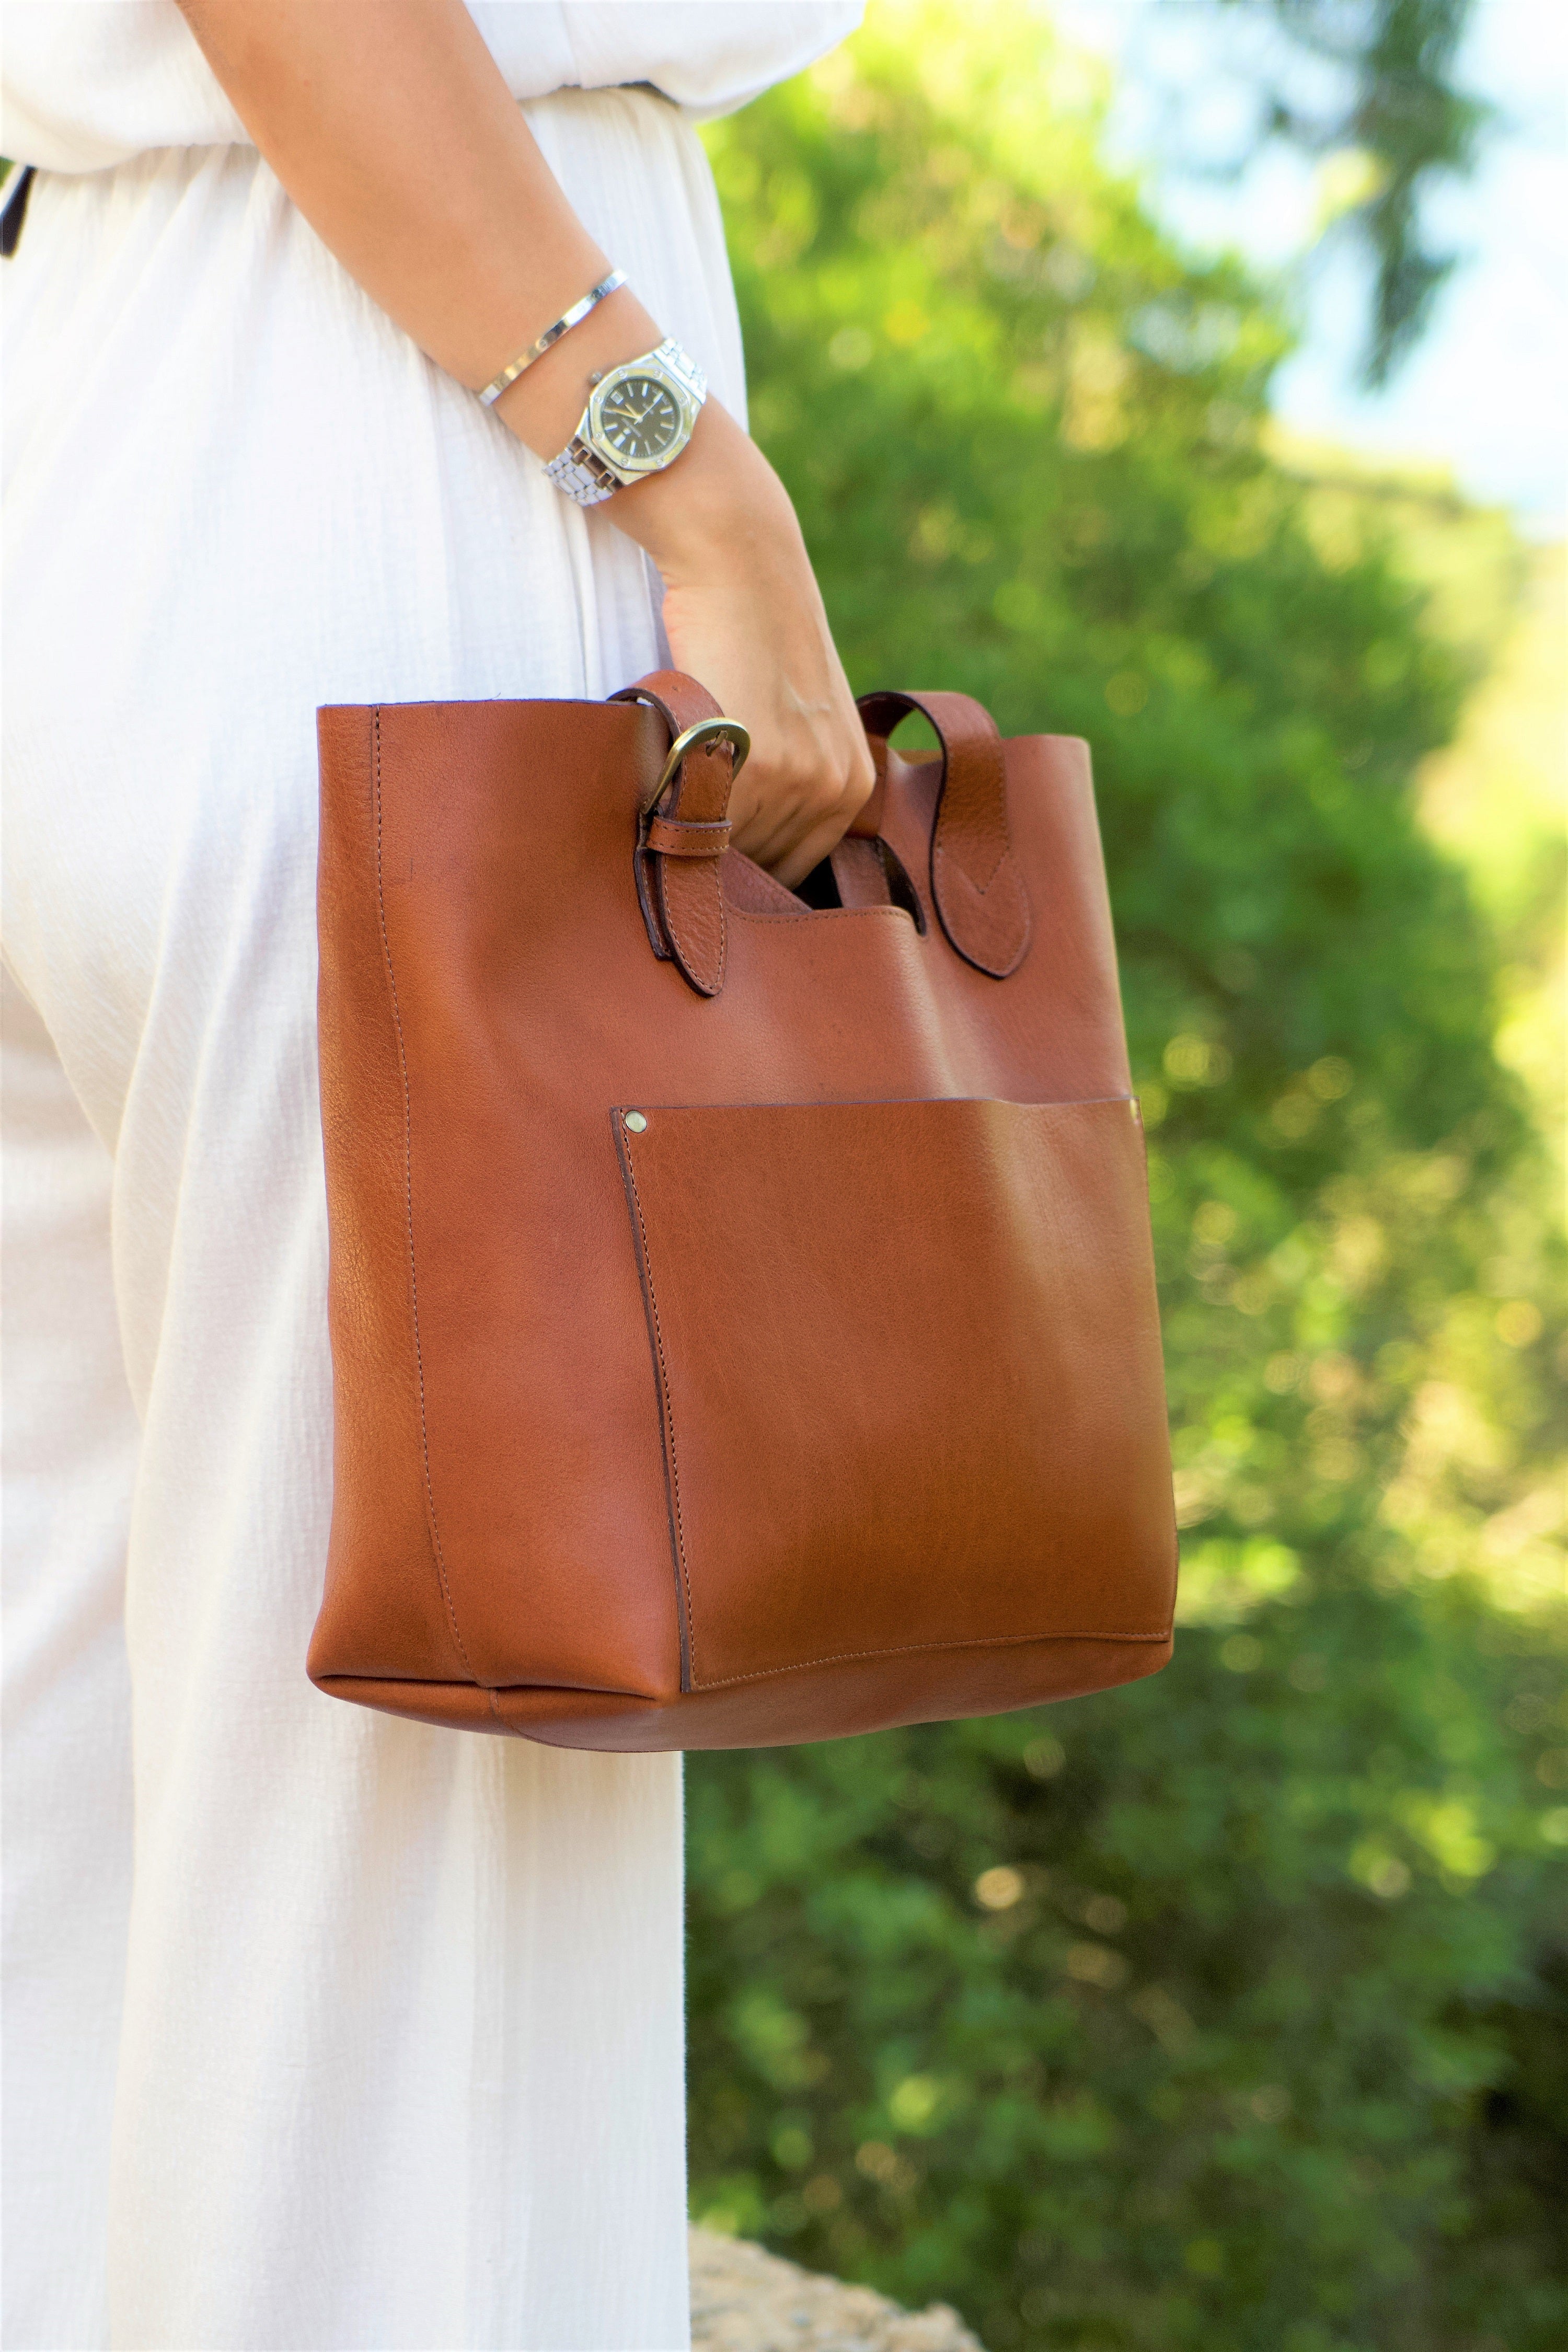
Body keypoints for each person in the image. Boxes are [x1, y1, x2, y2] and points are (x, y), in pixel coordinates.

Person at [1, 4, 871, 2344]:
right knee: (430, 1805)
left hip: (105, 388)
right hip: (410, 440)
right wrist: (690, 476)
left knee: (76, 1735)